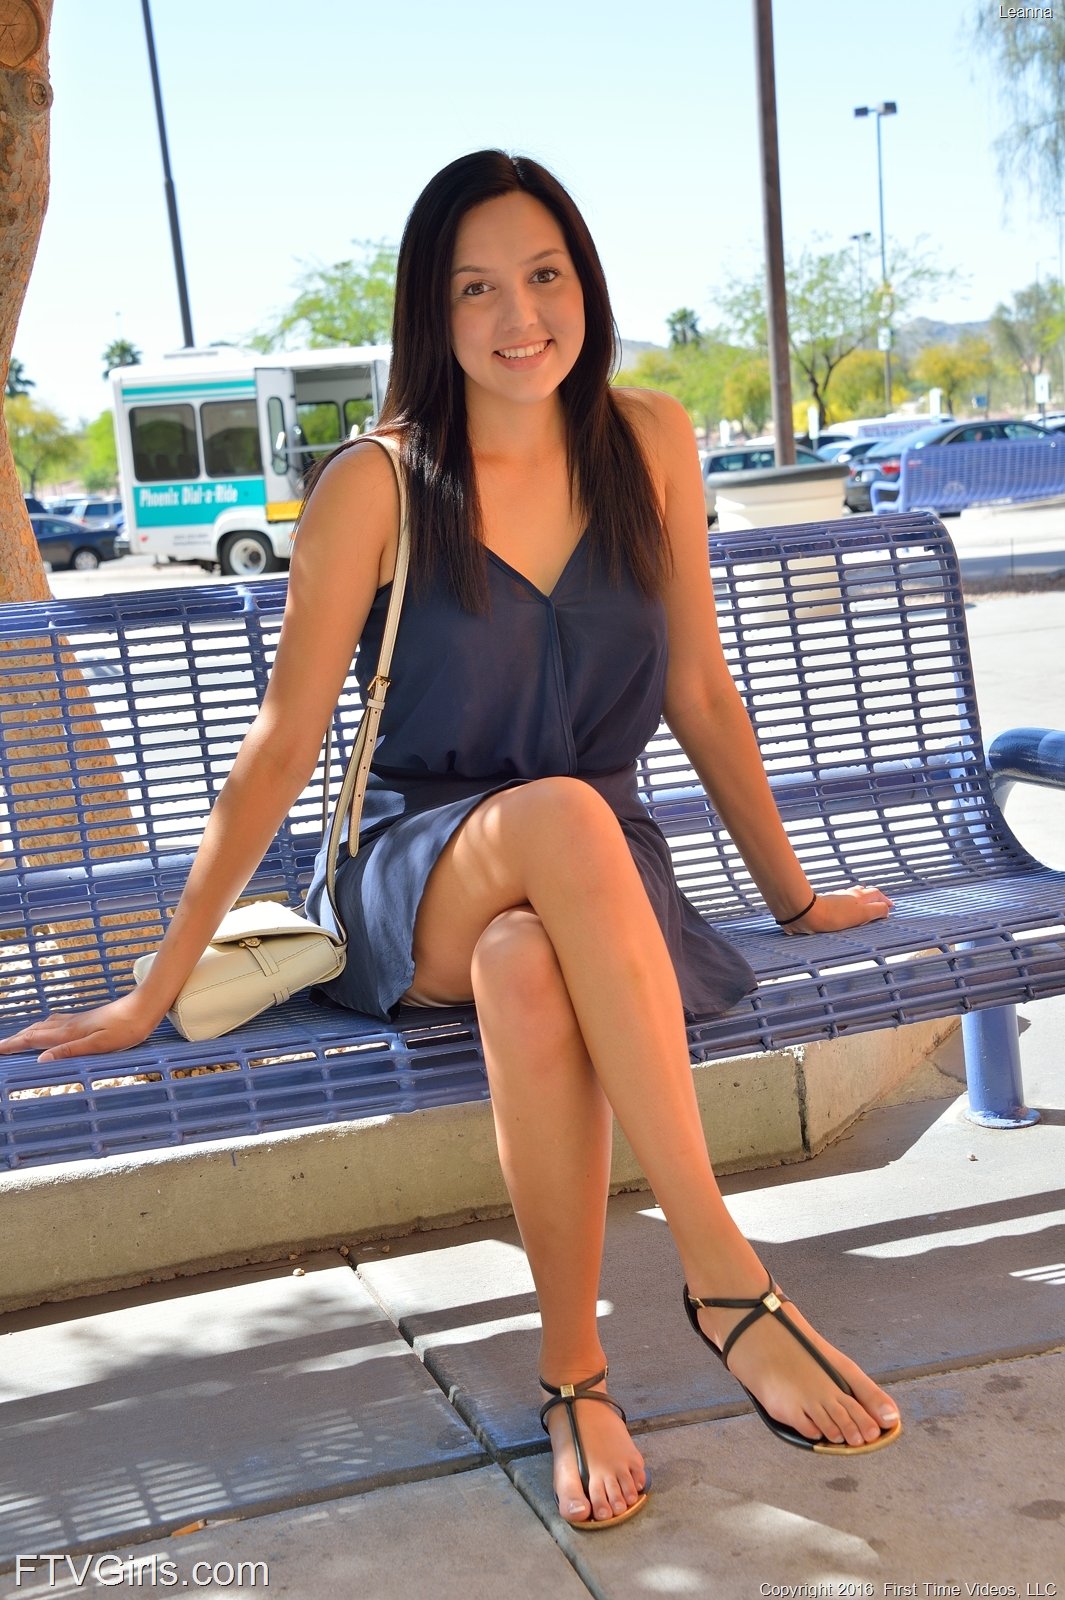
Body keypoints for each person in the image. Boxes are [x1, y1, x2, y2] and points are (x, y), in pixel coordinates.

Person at [0, 151, 901, 1528]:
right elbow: (280, 749)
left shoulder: (650, 440)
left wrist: (791, 899)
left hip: (590, 874)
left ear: (586, 284)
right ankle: (725, 1274)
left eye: (544, 275)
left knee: (532, 958)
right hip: (411, 873)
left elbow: (698, 689)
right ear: (432, 310)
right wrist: (152, 987)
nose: (518, 315)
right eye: (476, 288)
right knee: (558, 820)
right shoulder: (379, 482)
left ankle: (573, 1374)